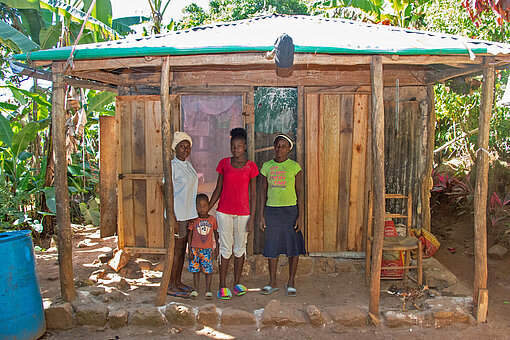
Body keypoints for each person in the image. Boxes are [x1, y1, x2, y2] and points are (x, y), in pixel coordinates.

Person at [209, 128, 258, 300]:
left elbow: (253, 194)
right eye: (233, 146)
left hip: (243, 213)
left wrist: (252, 217)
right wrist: (208, 207)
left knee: (239, 248)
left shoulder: (251, 167)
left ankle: (237, 283)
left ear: (245, 147)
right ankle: (222, 286)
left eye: (239, 146)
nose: (235, 149)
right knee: (225, 248)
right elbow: (218, 189)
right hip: (224, 212)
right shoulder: (224, 164)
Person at [259, 133, 305, 297]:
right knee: (272, 246)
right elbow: (262, 192)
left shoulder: (295, 167)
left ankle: (291, 281)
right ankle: (272, 282)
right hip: (272, 211)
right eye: (277, 145)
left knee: (293, 246)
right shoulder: (267, 166)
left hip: (290, 211)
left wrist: (300, 216)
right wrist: (262, 215)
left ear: (288, 150)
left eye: (283, 146)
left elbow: (300, 192)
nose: (279, 149)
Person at [167, 131, 198, 298]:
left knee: (182, 251)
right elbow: (168, 191)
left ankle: (177, 281)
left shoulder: (188, 165)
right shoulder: (172, 166)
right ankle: (171, 285)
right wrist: (172, 217)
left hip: (187, 215)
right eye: (182, 147)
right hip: (177, 215)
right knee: (177, 251)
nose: (185, 150)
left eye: (188, 147)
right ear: (175, 148)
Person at [187, 194, 219, 300]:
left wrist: (217, 246)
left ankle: (208, 290)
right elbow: (190, 234)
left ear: (209, 205)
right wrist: (190, 249)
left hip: (207, 250)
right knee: (195, 270)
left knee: (208, 270)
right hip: (195, 249)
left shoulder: (212, 220)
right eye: (199, 206)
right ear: (195, 207)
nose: (202, 208)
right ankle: (196, 290)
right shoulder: (194, 220)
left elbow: (216, 233)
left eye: (205, 205)